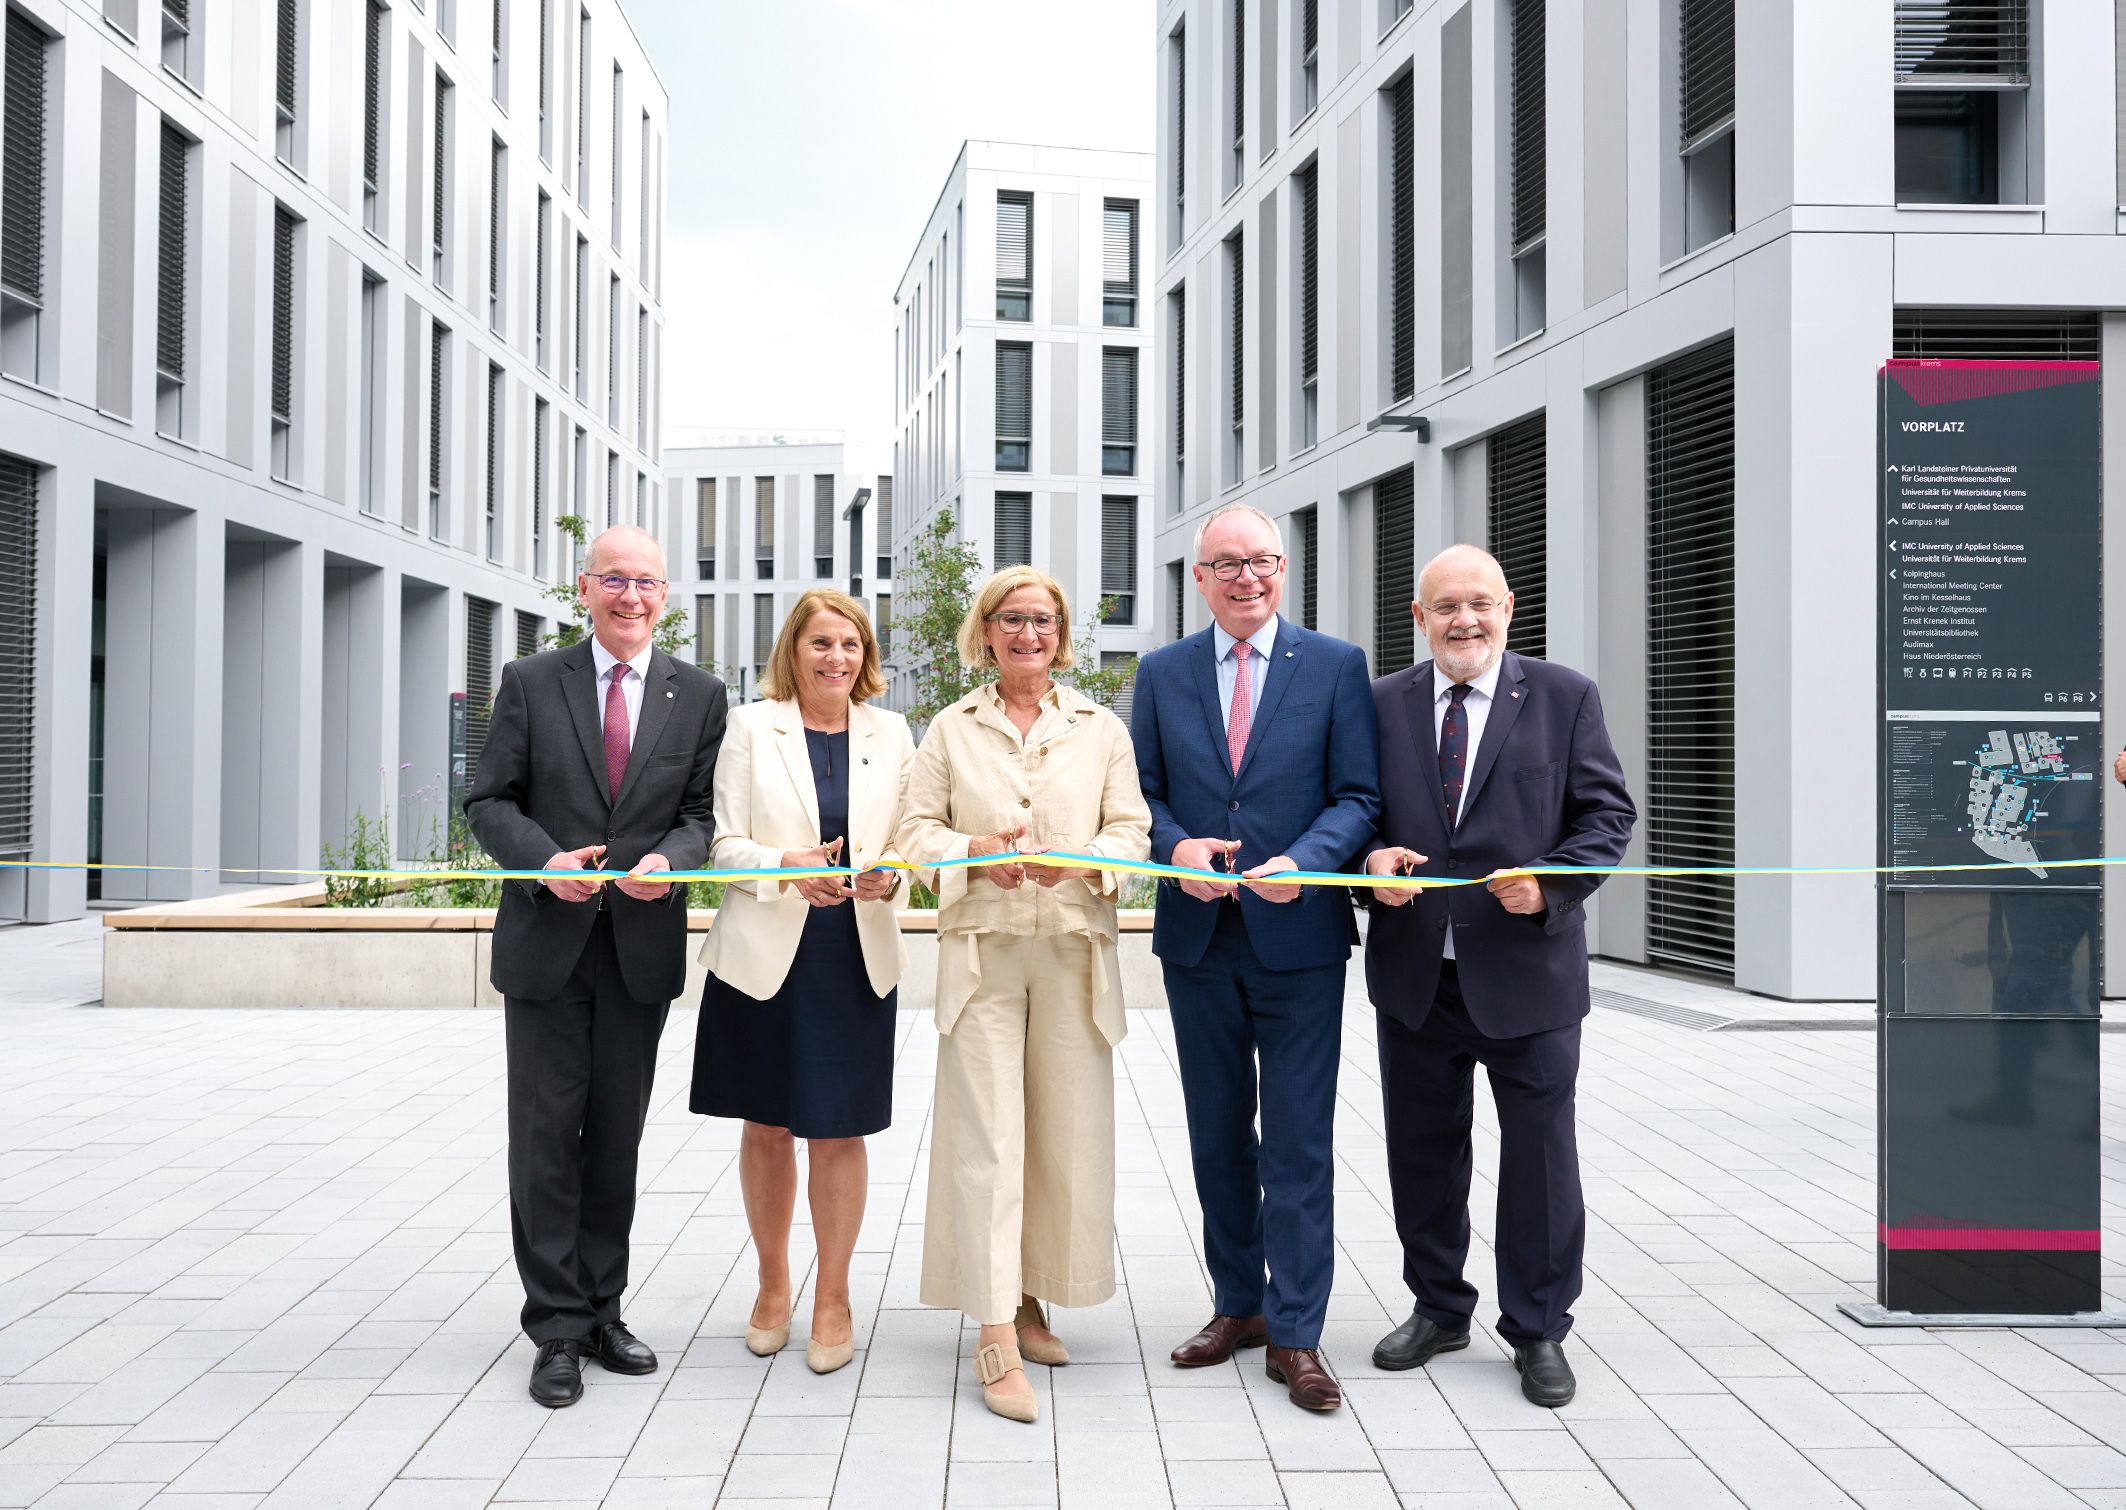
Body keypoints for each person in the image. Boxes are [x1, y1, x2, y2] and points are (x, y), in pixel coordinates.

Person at [1361, 544, 1635, 1408]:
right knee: (1422, 1156)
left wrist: (1548, 883)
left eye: (1479, 603)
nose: (1464, 620)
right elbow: (1357, 809)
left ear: (1509, 607)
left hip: (1529, 976)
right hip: (1416, 977)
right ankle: (1440, 1308)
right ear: (1419, 617)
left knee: (1542, 1162)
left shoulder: (1563, 696)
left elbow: (1606, 815)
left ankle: (1540, 1328)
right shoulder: (1381, 704)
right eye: (1445, 606)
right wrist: (1371, 858)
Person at [1129, 504, 1380, 1413]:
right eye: (1227, 564)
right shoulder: (1161, 674)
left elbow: (1358, 796)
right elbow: (1143, 792)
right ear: (1198, 579)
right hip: (1197, 939)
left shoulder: (1337, 667)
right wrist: (1174, 848)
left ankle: (1299, 1332)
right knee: (1217, 1134)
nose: (1247, 578)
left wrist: (1308, 865)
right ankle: (1237, 1306)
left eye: (1262, 561)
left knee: (1300, 1144)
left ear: (1283, 569)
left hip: (1299, 938)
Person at [466, 525, 724, 1408]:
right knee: (545, 1142)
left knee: (615, 1140)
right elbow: (488, 800)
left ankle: (604, 1308)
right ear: (586, 590)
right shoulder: (533, 682)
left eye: (646, 582)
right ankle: (556, 1327)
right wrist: (543, 860)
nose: (631, 596)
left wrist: (674, 863)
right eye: (614, 579)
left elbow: (700, 814)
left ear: (665, 595)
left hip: (638, 948)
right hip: (547, 943)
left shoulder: (700, 695)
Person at [894, 566, 1151, 1424]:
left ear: (1061, 632)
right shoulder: (950, 727)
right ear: (987, 631)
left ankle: (1033, 1293)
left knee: (1064, 1139)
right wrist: (972, 849)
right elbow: (913, 837)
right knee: (987, 1139)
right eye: (1012, 620)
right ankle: (995, 1329)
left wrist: (1079, 858)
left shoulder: (1099, 726)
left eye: (1042, 620)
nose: (1028, 635)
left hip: (1075, 950)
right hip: (984, 954)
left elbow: (1132, 833)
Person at [691, 590, 913, 1376]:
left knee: (840, 1131)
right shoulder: (752, 726)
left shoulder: (893, 733)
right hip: (764, 958)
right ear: (795, 649)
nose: (836, 659)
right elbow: (722, 849)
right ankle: (773, 1285)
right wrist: (788, 868)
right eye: (821, 643)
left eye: (850, 645)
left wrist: (894, 881)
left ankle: (835, 1298)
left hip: (852, 956)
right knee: (766, 1126)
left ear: (867, 656)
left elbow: (910, 845)